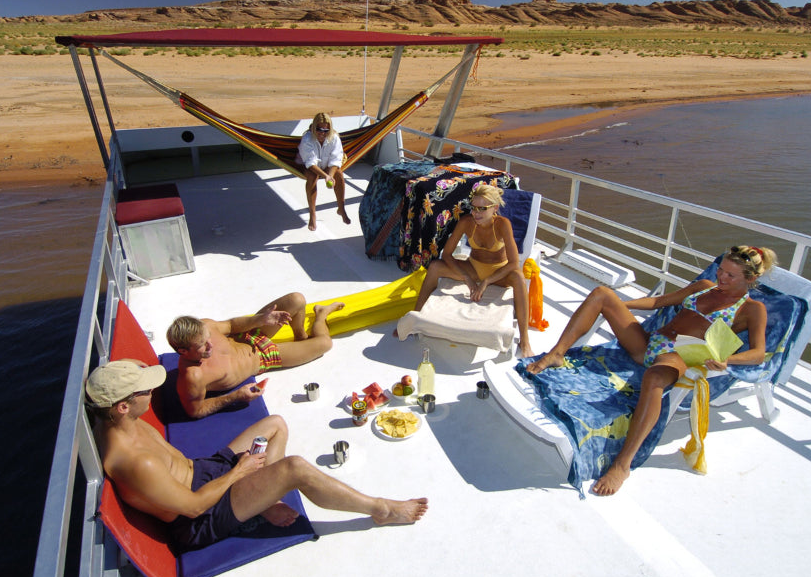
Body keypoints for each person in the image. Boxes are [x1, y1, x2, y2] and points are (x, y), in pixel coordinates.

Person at [86, 359, 428, 554]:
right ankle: (381, 509)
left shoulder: (121, 422)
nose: (152, 391)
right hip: (202, 516)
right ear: (122, 405)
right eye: (145, 390)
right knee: (294, 468)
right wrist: (239, 472)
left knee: (275, 424)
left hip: (204, 473)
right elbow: (191, 507)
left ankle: (261, 500)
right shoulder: (133, 461)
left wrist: (234, 470)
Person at [526, 245, 778, 496]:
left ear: (751, 279)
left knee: (655, 377)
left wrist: (728, 360)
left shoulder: (752, 310)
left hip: (681, 354)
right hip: (650, 343)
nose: (721, 277)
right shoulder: (704, 287)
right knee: (602, 293)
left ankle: (622, 465)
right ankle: (556, 354)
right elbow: (659, 301)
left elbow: (758, 353)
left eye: (730, 275)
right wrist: (623, 305)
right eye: (721, 270)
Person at [167, 292, 345, 418]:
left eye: (207, 339)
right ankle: (321, 315)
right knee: (325, 343)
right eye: (202, 345)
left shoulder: (204, 326)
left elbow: (230, 325)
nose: (210, 344)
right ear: (183, 351)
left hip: (248, 334)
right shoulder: (193, 377)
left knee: (297, 299)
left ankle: (301, 337)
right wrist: (235, 396)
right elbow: (195, 410)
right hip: (263, 357)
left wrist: (260, 320)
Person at [412, 182, 534, 357]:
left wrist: (486, 282)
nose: (476, 213)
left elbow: (514, 263)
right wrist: (466, 278)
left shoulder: (502, 224)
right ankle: (416, 316)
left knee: (518, 278)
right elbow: (446, 254)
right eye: (474, 208)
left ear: (495, 208)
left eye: (482, 209)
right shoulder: (466, 222)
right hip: (473, 268)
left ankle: (525, 340)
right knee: (435, 267)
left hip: (498, 273)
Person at [296, 112, 350, 231]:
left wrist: (330, 176)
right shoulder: (307, 139)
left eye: (326, 130)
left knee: (339, 174)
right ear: (314, 127)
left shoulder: (334, 137)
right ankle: (312, 214)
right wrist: (326, 176)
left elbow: (336, 159)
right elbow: (310, 163)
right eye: (319, 129)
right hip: (309, 166)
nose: (322, 133)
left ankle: (341, 208)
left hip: (326, 165)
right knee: (312, 177)